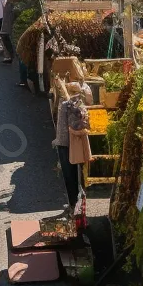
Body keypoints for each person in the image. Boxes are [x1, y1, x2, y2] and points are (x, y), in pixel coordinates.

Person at [53, 82, 89, 210]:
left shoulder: (66, 105)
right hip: (74, 144)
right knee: (77, 174)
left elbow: (68, 125)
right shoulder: (80, 105)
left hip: (65, 144)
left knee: (69, 175)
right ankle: (77, 202)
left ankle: (72, 203)